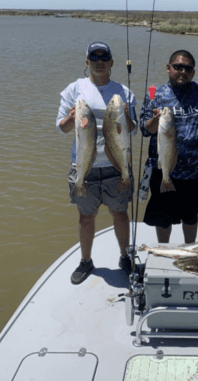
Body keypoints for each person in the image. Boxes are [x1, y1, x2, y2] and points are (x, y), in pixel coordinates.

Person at [56, 42, 137, 285]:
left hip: (116, 167)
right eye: (94, 56)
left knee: (120, 214)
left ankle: (124, 257)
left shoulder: (124, 92)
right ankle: (86, 261)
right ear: (87, 62)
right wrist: (71, 118)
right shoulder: (74, 89)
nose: (99, 61)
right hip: (84, 167)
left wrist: (125, 115)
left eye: (105, 57)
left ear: (112, 62)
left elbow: (132, 131)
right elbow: (61, 127)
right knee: (86, 217)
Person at [140, 50, 198, 244]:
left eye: (188, 68)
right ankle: (164, 251)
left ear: (193, 72)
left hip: (195, 170)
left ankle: (189, 250)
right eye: (178, 67)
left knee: (191, 216)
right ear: (168, 68)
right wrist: (155, 120)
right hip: (163, 169)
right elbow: (145, 130)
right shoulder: (155, 93)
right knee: (163, 218)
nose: (182, 71)